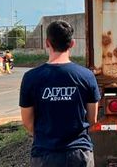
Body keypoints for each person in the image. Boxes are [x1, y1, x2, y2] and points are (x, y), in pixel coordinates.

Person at [19, 20, 100, 167]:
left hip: (44, 154)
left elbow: (27, 122)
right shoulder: (86, 76)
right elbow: (92, 119)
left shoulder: (31, 77)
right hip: (79, 153)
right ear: (72, 44)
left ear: (47, 43)